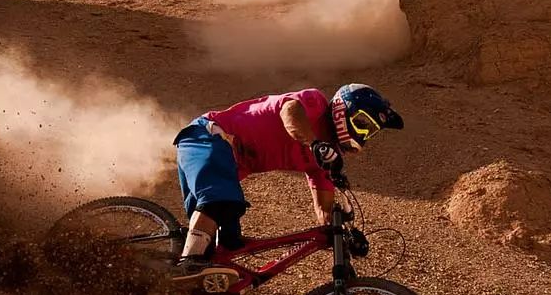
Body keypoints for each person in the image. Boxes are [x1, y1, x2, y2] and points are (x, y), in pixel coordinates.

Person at [169, 83, 403, 283]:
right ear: (344, 109)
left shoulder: (322, 159)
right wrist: (315, 143)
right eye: (362, 122)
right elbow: (289, 112)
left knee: (226, 250)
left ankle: (169, 280)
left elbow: (324, 213)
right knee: (222, 202)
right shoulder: (314, 104)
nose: (363, 134)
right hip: (207, 136)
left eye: (370, 131)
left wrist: (346, 234)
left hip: (222, 165)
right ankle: (189, 262)